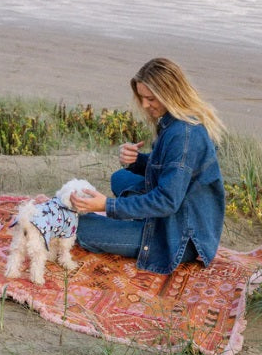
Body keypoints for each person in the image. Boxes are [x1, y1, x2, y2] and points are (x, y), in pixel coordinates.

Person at [71, 57, 226, 275]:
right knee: (120, 178)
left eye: (150, 98)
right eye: (142, 98)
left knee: (83, 228)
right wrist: (137, 161)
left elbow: (166, 200)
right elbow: (170, 174)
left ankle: (138, 223)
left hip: (179, 236)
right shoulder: (175, 121)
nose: (145, 105)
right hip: (178, 211)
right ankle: (137, 217)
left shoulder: (184, 135)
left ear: (170, 94)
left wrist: (107, 206)